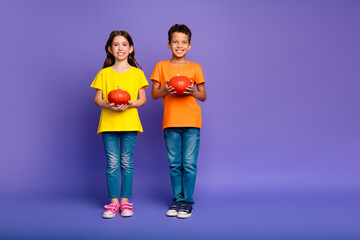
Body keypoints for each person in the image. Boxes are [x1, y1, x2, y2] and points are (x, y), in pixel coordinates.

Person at [150, 24, 207, 219]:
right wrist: (166, 90)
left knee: (189, 164)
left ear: (189, 46)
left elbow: (203, 96)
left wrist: (192, 91)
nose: (179, 45)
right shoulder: (161, 66)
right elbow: (154, 94)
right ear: (169, 45)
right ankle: (177, 199)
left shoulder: (195, 67)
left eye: (183, 42)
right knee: (175, 164)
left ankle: (187, 202)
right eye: (175, 42)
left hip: (192, 121)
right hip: (171, 122)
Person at [91, 31, 149, 219]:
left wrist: (130, 103)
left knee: (126, 161)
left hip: (130, 122)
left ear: (131, 48)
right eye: (116, 44)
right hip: (108, 123)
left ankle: (125, 202)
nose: (120, 48)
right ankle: (113, 202)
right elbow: (97, 99)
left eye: (124, 44)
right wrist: (108, 105)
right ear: (110, 49)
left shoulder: (137, 73)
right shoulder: (104, 73)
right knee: (112, 163)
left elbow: (142, 100)